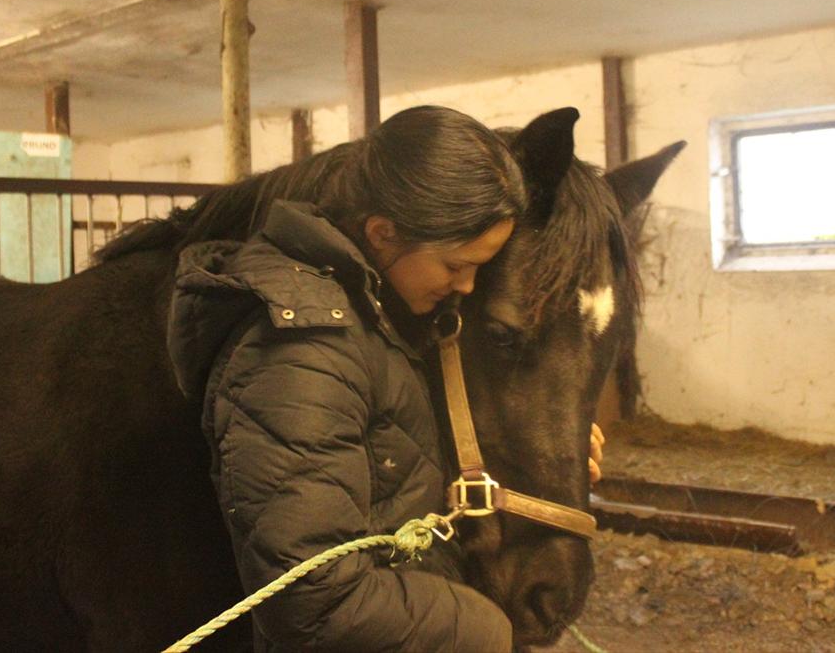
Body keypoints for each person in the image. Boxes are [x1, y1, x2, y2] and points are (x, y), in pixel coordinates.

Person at [167, 105, 605, 651]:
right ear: (382, 233)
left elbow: (388, 458)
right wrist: (486, 627)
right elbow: (313, 603)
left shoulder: (375, 317)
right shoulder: (300, 354)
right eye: (456, 266)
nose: (467, 287)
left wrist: (535, 453)